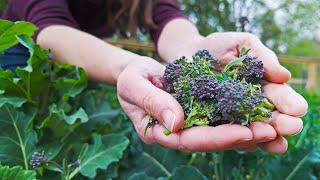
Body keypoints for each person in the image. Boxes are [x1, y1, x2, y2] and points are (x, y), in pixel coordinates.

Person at [1, 0, 307, 153]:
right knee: (19, 128)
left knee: (61, 130)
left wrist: (195, 48)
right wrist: (128, 66)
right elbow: (49, 29)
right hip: (19, 46)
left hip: (86, 54)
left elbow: (168, 20)